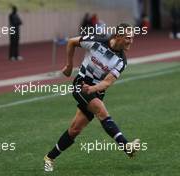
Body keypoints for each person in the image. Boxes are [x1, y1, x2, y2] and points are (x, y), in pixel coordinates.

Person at [44, 23, 140, 172]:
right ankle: (126, 146)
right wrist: (69, 66)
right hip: (81, 85)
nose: (131, 41)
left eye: (132, 38)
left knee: (75, 129)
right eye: (128, 38)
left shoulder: (121, 61)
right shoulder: (97, 41)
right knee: (102, 112)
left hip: (95, 91)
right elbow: (71, 42)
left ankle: (49, 157)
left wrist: (94, 89)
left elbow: (107, 82)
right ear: (118, 36)